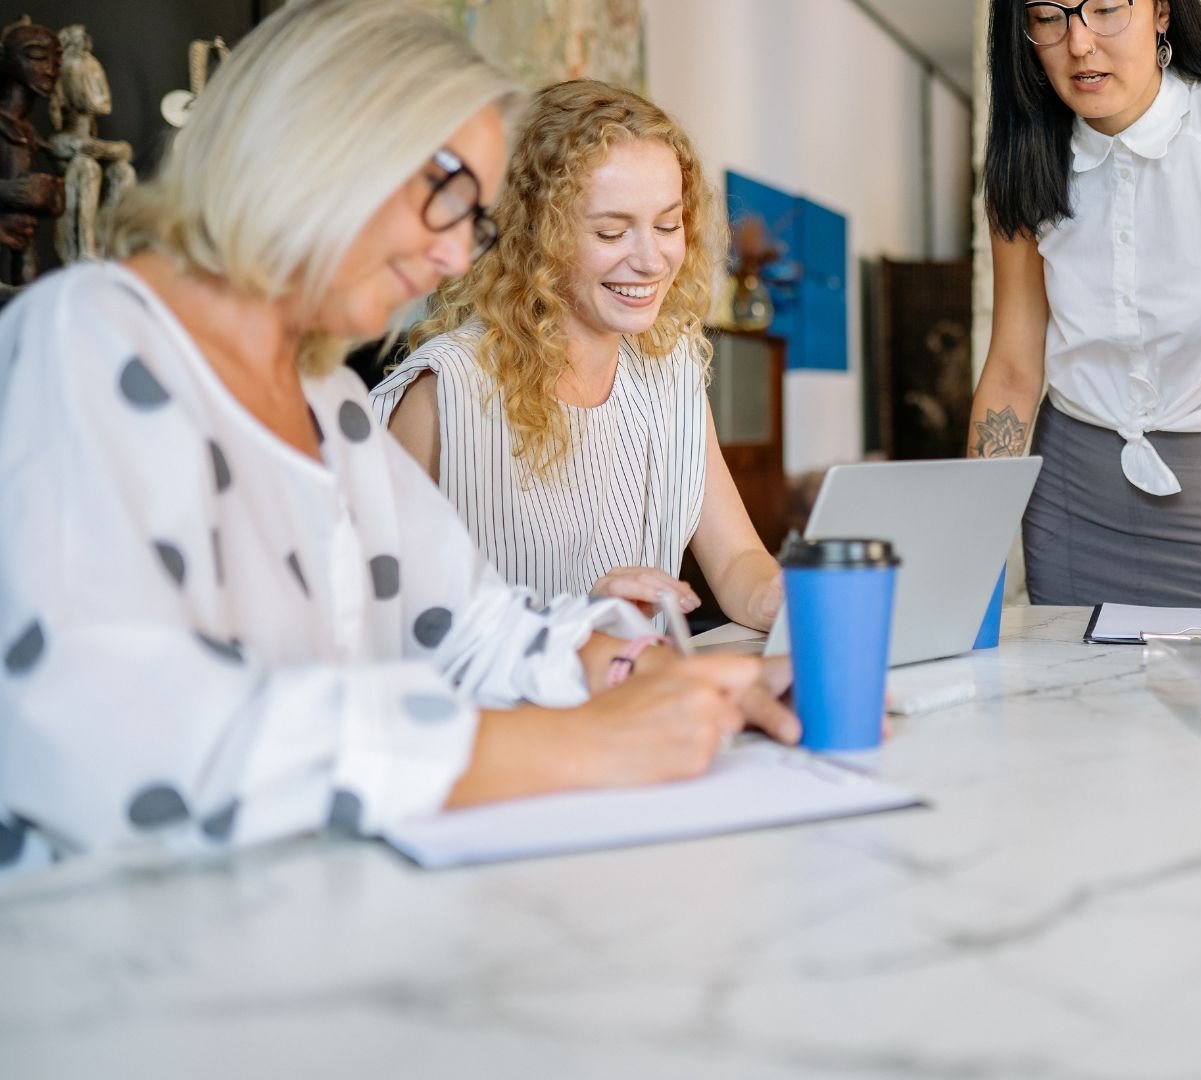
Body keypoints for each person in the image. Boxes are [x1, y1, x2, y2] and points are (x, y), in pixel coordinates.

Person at [0, 0, 796, 878]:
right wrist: (577, 748)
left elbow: (468, 626)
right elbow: (111, 730)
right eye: (447, 199)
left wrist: (637, 671)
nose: (457, 258)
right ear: (327, 145)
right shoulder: (90, 339)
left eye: (477, 222)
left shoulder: (329, 405)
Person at [969, 0, 1201, 633]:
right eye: (1048, 17)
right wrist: (969, 554)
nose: (1079, 43)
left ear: (1162, 11)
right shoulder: (1025, 150)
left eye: (1106, 9)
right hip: (1070, 488)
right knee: (1072, 708)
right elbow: (1011, 368)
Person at [372, 80, 781, 631]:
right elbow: (387, 626)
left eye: (667, 224)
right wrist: (571, 629)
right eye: (612, 232)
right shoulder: (444, 391)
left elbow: (736, 560)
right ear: (535, 236)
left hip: (638, 707)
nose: (652, 260)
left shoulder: (673, 369)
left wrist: (784, 600)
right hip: (508, 716)